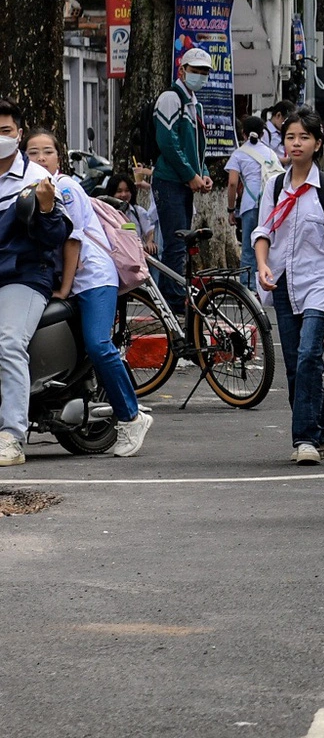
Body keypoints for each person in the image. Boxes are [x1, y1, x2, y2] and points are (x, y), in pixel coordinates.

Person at [24, 129, 150, 457]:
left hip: (93, 278)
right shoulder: (26, 192)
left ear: (59, 158)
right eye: (33, 152)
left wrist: (63, 289)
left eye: (47, 152)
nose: (40, 158)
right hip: (63, 281)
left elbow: (73, 238)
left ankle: (131, 417)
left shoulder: (65, 186)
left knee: (98, 344)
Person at [253, 109, 324, 465]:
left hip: (320, 282)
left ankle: (303, 439)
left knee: (308, 356)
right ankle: (318, 435)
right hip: (284, 282)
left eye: (304, 137)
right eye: (290, 137)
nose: (296, 143)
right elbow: (263, 232)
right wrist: (262, 264)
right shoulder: (275, 185)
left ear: (317, 143)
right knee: (294, 363)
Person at [0, 101, 72, 467]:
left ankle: (11, 436)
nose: (0, 138)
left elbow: (54, 236)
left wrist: (45, 208)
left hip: (24, 275)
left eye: (5, 131)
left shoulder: (34, 181)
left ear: (18, 134)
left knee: (9, 341)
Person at [151, 46, 214, 310]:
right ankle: (173, 301)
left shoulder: (193, 103)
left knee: (182, 242)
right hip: (170, 181)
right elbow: (168, 141)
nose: (199, 76)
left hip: (184, 182)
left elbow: (196, 146)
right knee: (176, 243)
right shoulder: (171, 98)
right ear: (182, 70)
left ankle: (176, 295)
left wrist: (204, 174)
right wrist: (190, 175)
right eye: (195, 70)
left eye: (204, 72)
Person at [226, 114, 282, 287]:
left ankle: (247, 286)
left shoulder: (239, 154)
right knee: (266, 243)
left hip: (250, 205)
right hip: (270, 204)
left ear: (243, 134)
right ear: (262, 134)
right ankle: (265, 282)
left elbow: (232, 183)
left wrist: (231, 209)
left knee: (249, 247)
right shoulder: (271, 152)